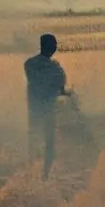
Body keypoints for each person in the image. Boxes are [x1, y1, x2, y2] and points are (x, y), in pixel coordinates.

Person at [24, 32, 71, 177]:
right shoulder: (55, 69)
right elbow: (59, 89)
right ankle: (44, 175)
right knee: (48, 143)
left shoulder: (30, 64)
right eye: (54, 45)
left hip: (34, 110)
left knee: (34, 140)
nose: (55, 47)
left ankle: (34, 172)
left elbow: (40, 83)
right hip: (46, 111)